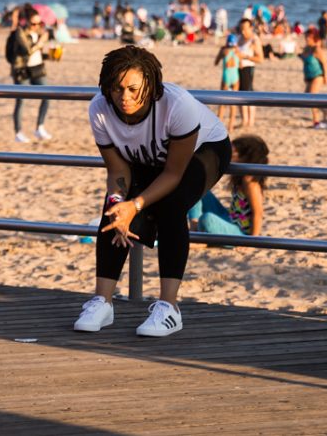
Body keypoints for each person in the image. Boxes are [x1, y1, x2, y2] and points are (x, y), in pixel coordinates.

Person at [74, 46, 230, 337]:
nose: (125, 97)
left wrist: (138, 205)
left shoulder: (177, 105)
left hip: (205, 149)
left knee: (171, 205)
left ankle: (169, 308)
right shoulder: (99, 108)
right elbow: (118, 172)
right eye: (117, 88)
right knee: (114, 209)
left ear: (151, 84)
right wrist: (122, 204)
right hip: (148, 157)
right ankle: (102, 301)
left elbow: (173, 173)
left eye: (134, 88)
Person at [190, 135, 268, 237]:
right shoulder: (239, 175)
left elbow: (258, 213)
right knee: (197, 188)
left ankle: (201, 236)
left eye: (233, 152)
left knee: (207, 219)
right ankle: (194, 227)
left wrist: (253, 241)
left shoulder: (251, 183)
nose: (229, 153)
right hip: (229, 218)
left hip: (240, 232)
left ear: (245, 158)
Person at [9, 5, 51, 142]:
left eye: (39, 23)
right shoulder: (20, 33)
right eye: (33, 23)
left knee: (48, 96)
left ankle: (40, 127)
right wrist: (41, 41)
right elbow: (28, 51)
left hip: (37, 68)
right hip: (22, 70)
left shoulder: (39, 32)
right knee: (21, 100)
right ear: (26, 21)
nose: (36, 26)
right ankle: (18, 132)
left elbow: (37, 53)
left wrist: (50, 56)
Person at [235, 18, 263, 127]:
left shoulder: (254, 40)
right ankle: (244, 120)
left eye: (245, 29)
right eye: (241, 29)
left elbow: (260, 59)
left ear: (251, 28)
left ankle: (250, 122)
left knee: (248, 93)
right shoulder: (238, 38)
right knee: (238, 94)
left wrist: (246, 57)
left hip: (248, 68)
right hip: (238, 69)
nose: (243, 31)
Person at [300, 27, 327, 126]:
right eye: (306, 37)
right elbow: (304, 62)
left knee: (312, 96)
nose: (307, 39)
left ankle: (316, 121)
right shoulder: (306, 49)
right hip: (308, 76)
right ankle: (325, 110)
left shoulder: (317, 49)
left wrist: (326, 77)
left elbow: (324, 63)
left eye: (309, 37)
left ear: (314, 38)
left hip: (318, 75)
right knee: (306, 97)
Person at [213, 34, 241, 132]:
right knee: (234, 102)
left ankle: (219, 125)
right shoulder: (238, 51)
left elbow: (215, 62)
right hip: (235, 77)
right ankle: (231, 126)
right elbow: (240, 65)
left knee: (222, 103)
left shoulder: (223, 51)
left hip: (226, 76)